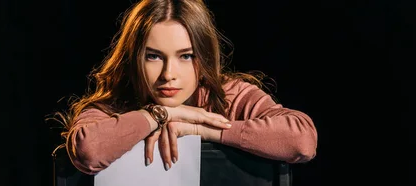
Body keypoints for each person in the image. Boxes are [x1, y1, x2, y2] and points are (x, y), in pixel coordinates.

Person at [57, 0, 318, 175]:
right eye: (154, 56)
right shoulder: (113, 106)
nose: (169, 75)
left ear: (203, 57)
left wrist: (200, 128)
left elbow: (302, 141)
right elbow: (89, 151)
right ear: (133, 58)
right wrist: (161, 114)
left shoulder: (230, 95)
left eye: (186, 56)